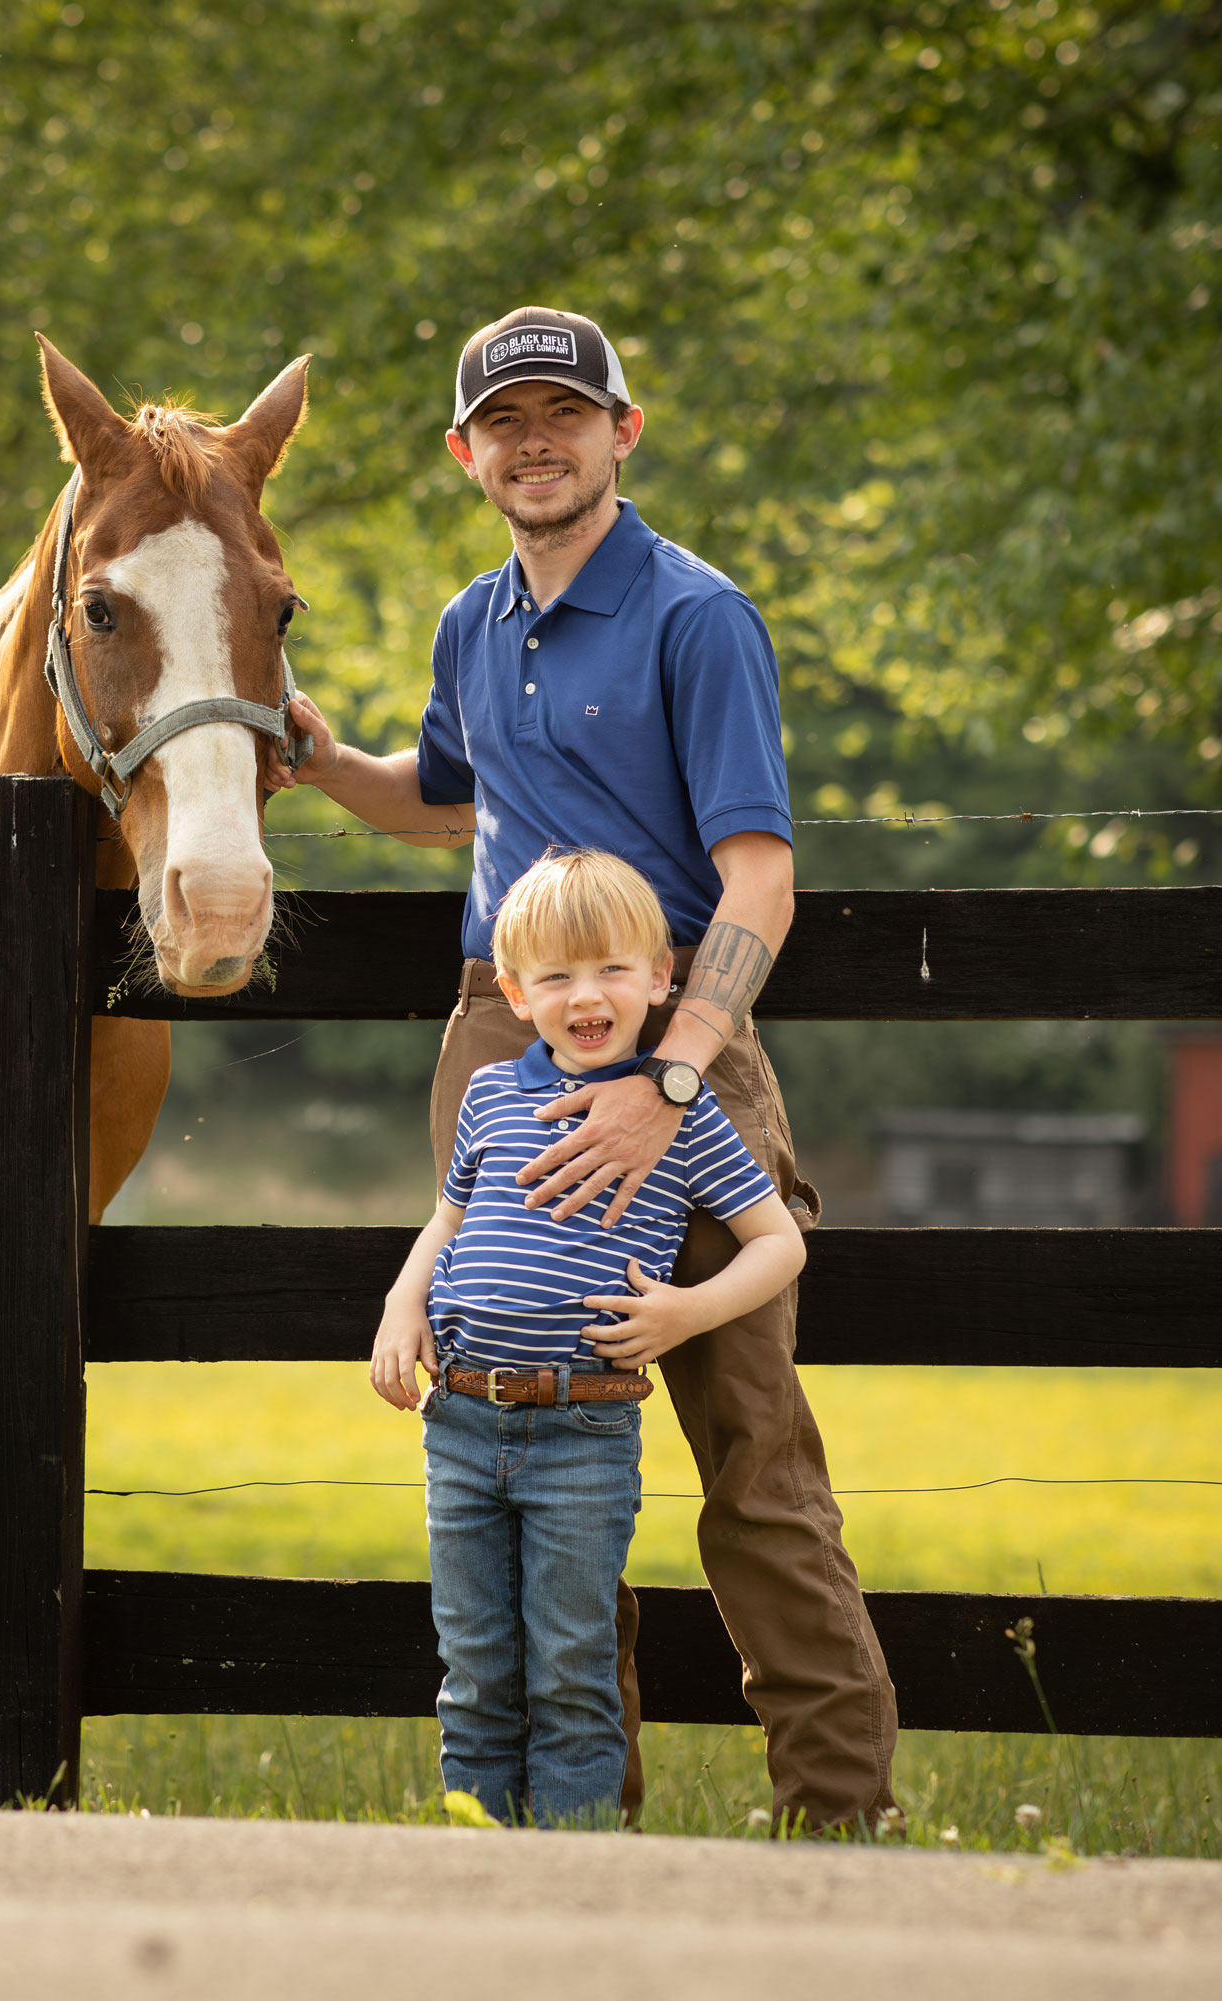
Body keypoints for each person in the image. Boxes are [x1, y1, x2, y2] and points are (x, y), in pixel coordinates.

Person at [283, 305, 899, 1831]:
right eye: (505, 421)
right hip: (500, 1036)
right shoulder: (467, 624)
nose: (534, 441)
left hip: (678, 1038)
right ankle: (573, 1823)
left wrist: (670, 1078)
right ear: (465, 452)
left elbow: (758, 882)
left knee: (751, 1448)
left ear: (625, 430)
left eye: (567, 412)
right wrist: (317, 757)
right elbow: (443, 803)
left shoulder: (698, 617)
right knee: (538, 1428)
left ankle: (838, 1808)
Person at [371, 849, 807, 1828]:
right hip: (462, 1425)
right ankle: (480, 1859)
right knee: (475, 1670)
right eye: (557, 977)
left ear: (663, 979)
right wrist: (405, 1307)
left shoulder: (677, 1116)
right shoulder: (489, 1094)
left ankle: (575, 1863)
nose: (587, 995)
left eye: (613, 968)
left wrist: (685, 1312)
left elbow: (778, 1244)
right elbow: (446, 1223)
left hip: (584, 1428)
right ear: (517, 994)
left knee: (570, 1670)